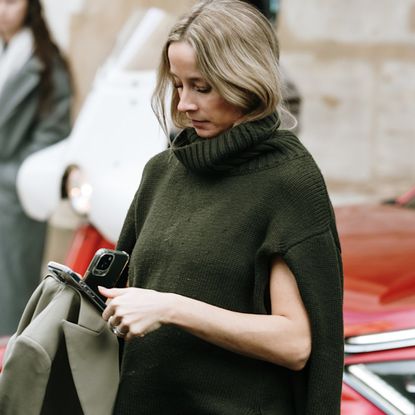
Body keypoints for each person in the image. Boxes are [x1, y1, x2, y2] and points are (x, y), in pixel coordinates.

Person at [99, 1, 344, 414]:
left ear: (245, 79)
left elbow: (296, 343)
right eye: (178, 85)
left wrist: (172, 307)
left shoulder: (288, 183)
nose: (184, 105)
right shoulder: (162, 172)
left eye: (202, 87)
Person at [0, 0, 72, 335]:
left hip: (14, 195)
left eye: (12, 1)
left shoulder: (46, 61)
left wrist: (13, 179)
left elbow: (52, 132)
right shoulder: (7, 51)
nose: (3, 9)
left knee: (11, 289)